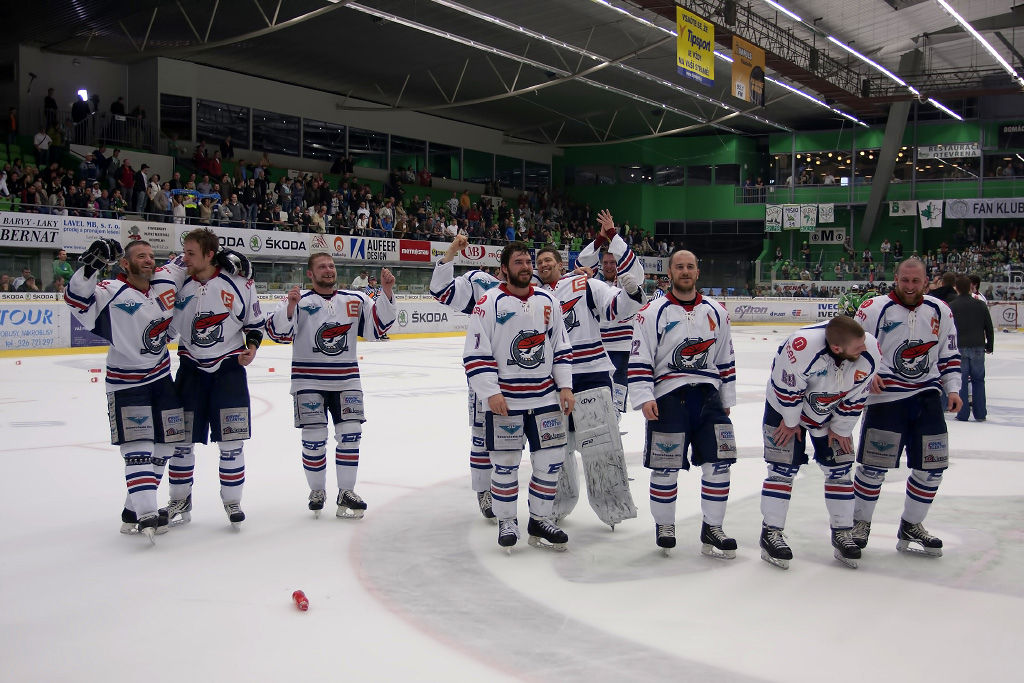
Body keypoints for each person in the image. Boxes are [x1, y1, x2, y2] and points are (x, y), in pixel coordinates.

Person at [63, 239, 184, 542]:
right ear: (125, 264)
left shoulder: (163, 282)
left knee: (166, 446)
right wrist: (91, 266)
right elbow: (76, 297)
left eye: (151, 255)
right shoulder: (110, 290)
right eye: (141, 256)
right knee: (138, 449)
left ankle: (132, 510)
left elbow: (194, 257)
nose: (149, 260)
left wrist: (231, 263)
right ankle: (146, 512)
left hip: (161, 378)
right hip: (126, 383)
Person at [463, 241, 575, 552]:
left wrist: (565, 385)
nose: (526, 267)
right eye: (518, 262)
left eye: (528, 262)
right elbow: (476, 353)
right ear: (504, 269)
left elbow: (561, 346)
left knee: (550, 462)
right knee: (505, 464)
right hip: (507, 401)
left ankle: (539, 519)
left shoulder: (548, 301)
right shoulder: (488, 303)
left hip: (544, 398)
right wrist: (491, 392)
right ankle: (507, 521)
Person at [267, 254, 396, 518]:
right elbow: (277, 333)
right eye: (322, 267)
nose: (328, 270)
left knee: (351, 435)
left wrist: (386, 292)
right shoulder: (300, 299)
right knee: (313, 439)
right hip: (308, 381)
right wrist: (290, 307)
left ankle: (346, 491)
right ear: (310, 274)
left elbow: (377, 328)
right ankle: (317, 490)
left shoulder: (355, 299)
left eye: (331, 266)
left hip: (346, 380)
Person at [628, 248, 738, 556]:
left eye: (690, 266)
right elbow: (640, 357)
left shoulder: (717, 311)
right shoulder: (652, 312)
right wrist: (644, 397)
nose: (685, 271)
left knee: (720, 463)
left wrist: (726, 397)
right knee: (665, 467)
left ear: (697, 272)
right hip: (668, 397)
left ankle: (713, 527)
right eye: (679, 267)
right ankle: (665, 525)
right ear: (670, 273)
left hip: (708, 397)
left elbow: (725, 356)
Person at [851, 257, 962, 556]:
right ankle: (860, 523)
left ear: (926, 281)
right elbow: (854, 349)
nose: (910, 286)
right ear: (896, 279)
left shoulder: (941, 310)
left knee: (932, 468)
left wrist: (953, 388)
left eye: (916, 281)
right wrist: (867, 373)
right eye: (905, 280)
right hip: (885, 400)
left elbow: (948, 352)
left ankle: (912, 524)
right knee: (873, 467)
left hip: (927, 398)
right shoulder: (872, 308)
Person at [156, 228, 264, 530]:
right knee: (181, 441)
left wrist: (252, 347)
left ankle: (232, 501)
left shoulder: (239, 282)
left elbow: (255, 323)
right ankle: (180, 501)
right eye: (184, 252)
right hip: (190, 369)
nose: (185, 258)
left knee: (232, 441)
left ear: (209, 255)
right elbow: (165, 324)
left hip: (229, 370)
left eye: (191, 253)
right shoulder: (178, 282)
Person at [535, 233, 644, 529]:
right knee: (554, 446)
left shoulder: (585, 284)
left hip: (591, 372)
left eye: (549, 260)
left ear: (562, 264)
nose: (544, 265)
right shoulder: (533, 296)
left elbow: (616, 308)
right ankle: (555, 503)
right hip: (551, 379)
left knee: (601, 443)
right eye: (539, 262)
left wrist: (630, 293)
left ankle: (613, 503)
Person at [758, 316, 882, 569]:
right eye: (858, 346)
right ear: (837, 348)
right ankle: (771, 532)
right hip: (783, 409)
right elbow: (785, 386)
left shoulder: (870, 350)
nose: (865, 348)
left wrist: (841, 427)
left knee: (840, 468)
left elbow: (858, 394)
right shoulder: (801, 347)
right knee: (782, 468)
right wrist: (791, 421)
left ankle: (842, 531)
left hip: (831, 409)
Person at [430, 235, 503, 520]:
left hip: (524, 376)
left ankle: (509, 486)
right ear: (502, 267)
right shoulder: (482, 283)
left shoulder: (533, 288)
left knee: (514, 435)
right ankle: (484, 490)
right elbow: (442, 291)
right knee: (482, 433)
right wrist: (451, 251)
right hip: (485, 374)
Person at [574, 209, 646, 413]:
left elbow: (634, 270)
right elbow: (580, 266)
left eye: (613, 262)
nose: (608, 266)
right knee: (595, 395)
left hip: (621, 346)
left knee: (617, 398)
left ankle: (616, 420)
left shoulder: (626, 280)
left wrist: (613, 234)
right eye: (605, 262)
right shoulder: (593, 282)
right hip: (596, 346)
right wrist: (599, 239)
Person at [949, 275, 993, 422]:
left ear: (957, 288)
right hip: (978, 346)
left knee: (962, 381)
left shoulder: (952, 306)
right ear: (970, 287)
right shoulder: (980, 305)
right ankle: (980, 413)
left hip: (959, 347)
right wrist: (990, 345)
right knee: (979, 380)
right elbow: (989, 326)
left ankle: (962, 413)